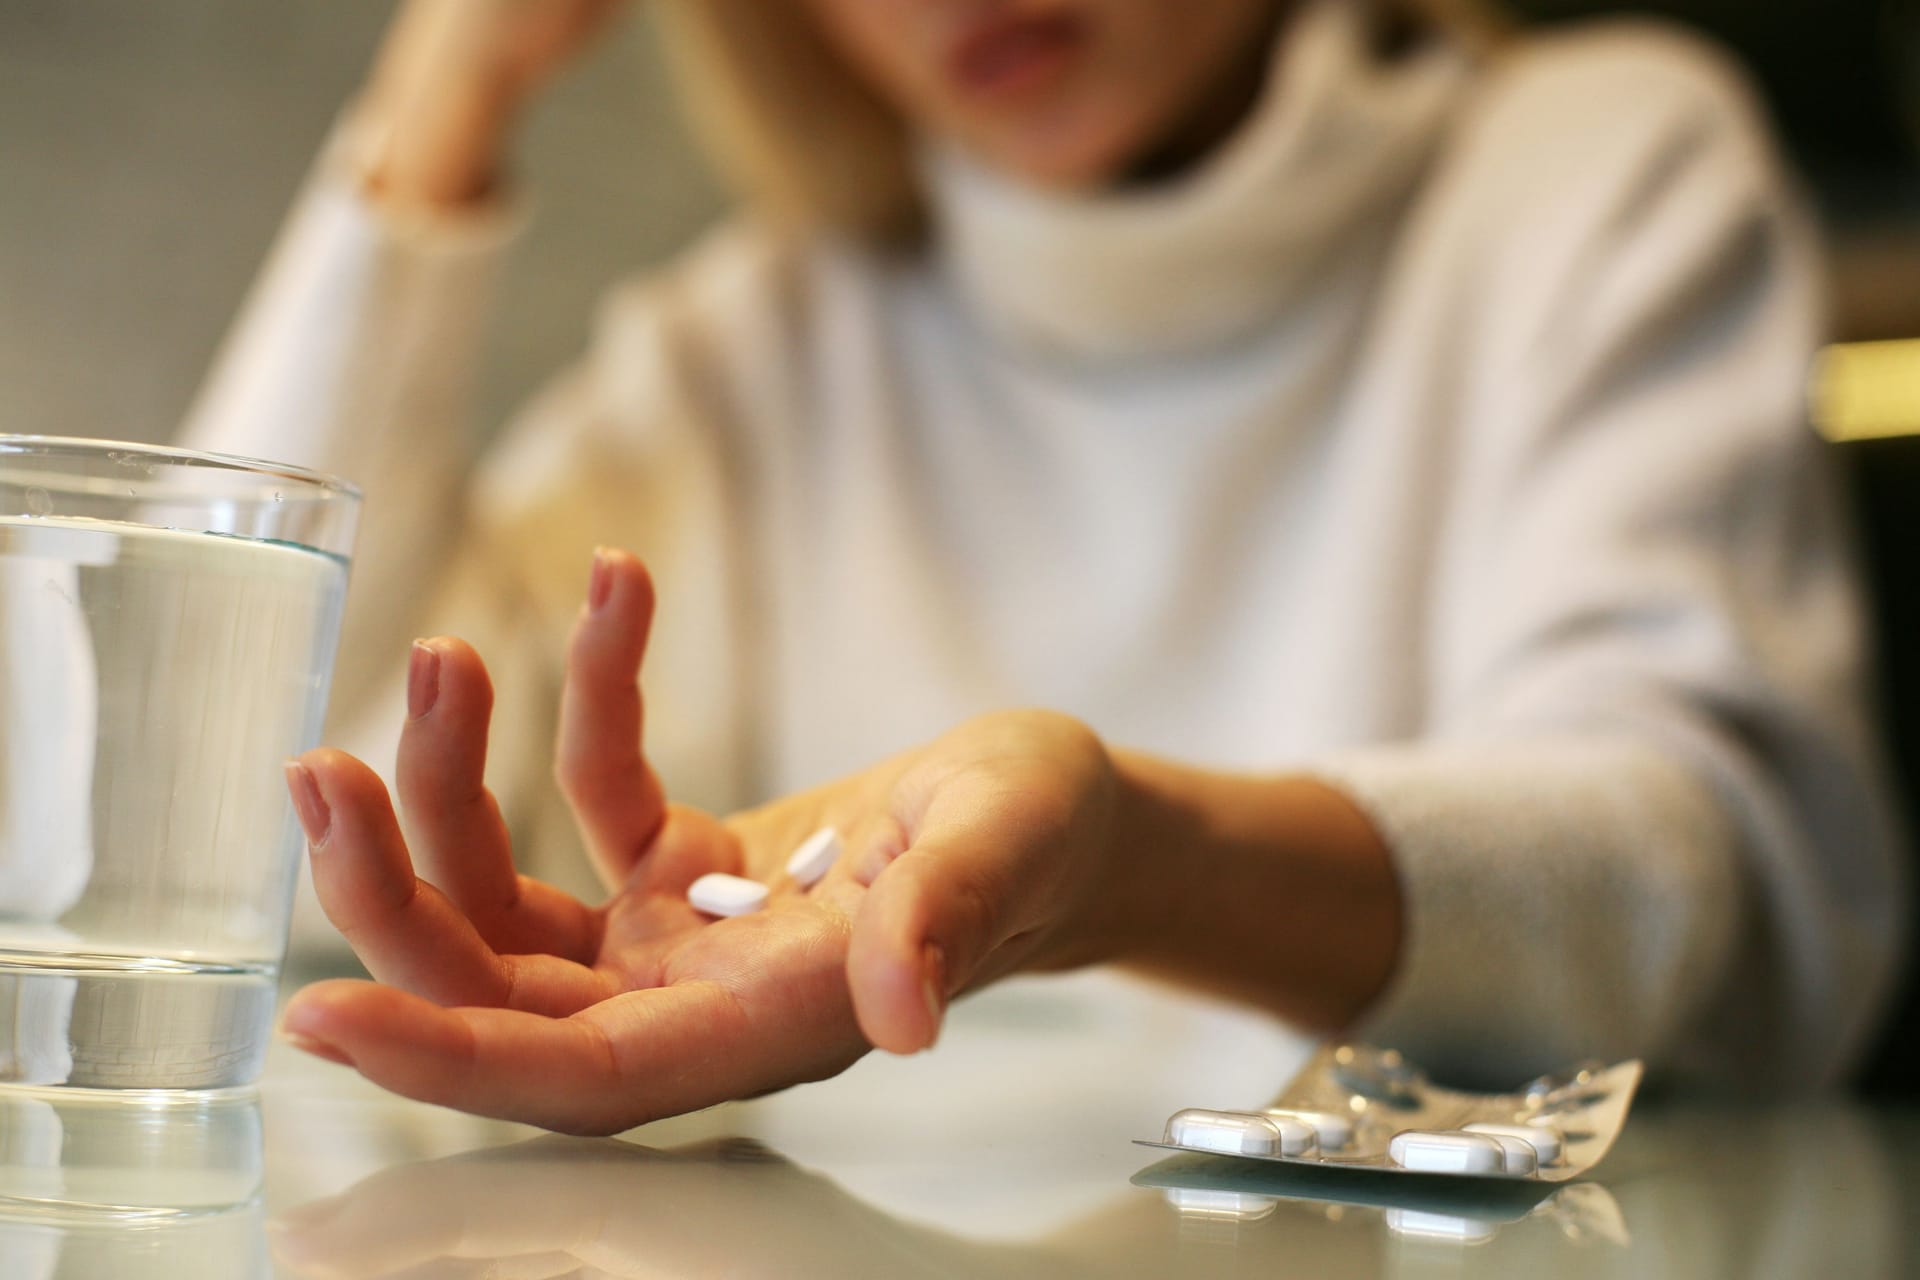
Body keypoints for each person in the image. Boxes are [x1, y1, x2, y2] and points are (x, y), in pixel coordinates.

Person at [183, 0, 1904, 1134]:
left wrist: (1133, 860)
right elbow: (237, 817)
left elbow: (1717, 890)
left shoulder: (1591, 171)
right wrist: (441, 93)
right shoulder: (759, 345)